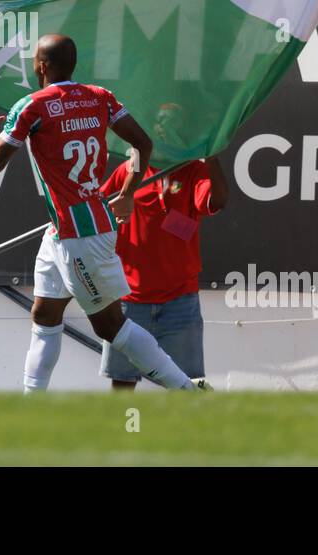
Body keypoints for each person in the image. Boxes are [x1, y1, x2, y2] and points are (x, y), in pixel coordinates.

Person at [0, 34, 204, 392]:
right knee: (45, 315)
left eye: (35, 60)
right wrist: (127, 193)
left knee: (110, 325)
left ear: (42, 66)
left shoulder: (32, 105)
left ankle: (189, 390)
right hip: (67, 228)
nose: (34, 65)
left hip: (80, 235)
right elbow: (143, 143)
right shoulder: (100, 97)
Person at [98, 117, 228, 389]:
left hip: (180, 300)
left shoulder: (193, 171)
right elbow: (97, 211)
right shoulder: (128, 170)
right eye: (159, 123)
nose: (164, 130)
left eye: (173, 124)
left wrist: (212, 159)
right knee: (123, 385)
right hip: (129, 298)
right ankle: (125, 432)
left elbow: (218, 201)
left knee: (188, 385)